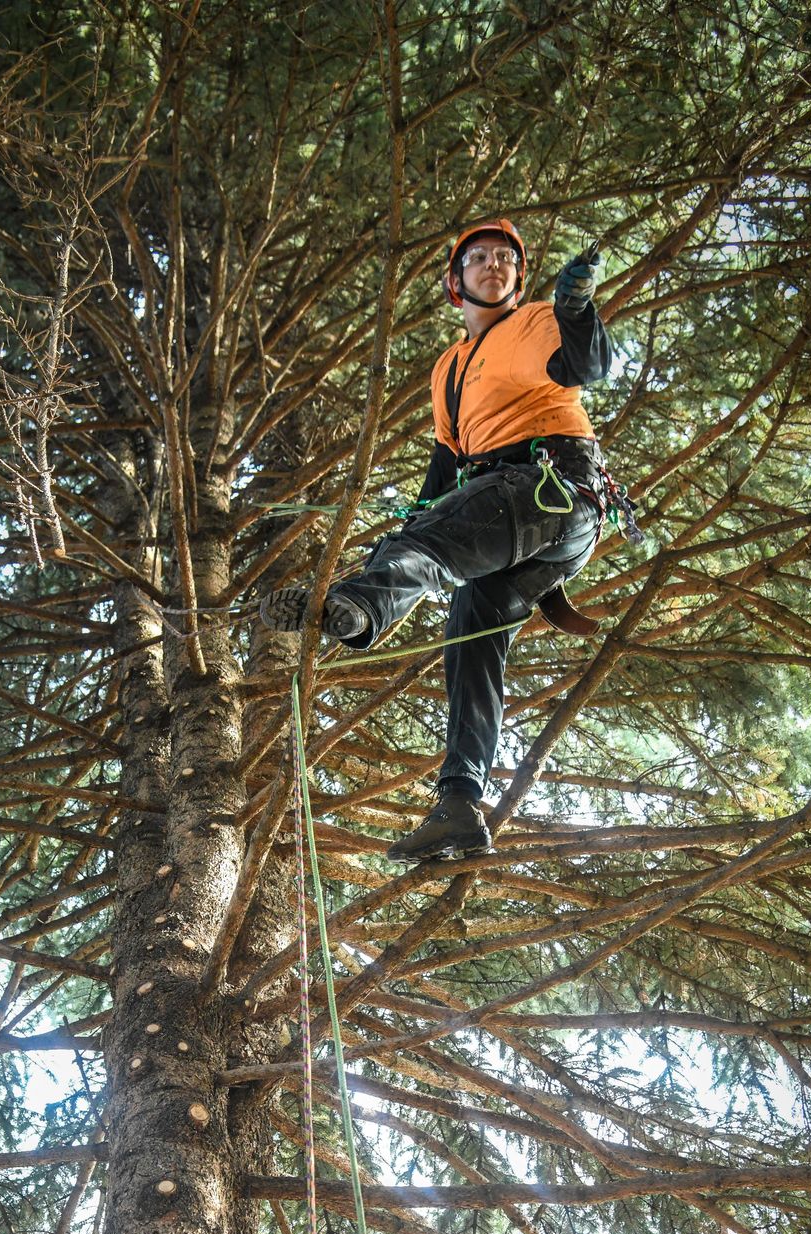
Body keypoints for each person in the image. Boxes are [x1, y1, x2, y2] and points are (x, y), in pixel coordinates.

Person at [260, 218, 616, 862]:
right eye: (479, 257)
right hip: (516, 511)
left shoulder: (535, 321)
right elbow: (445, 469)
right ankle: (459, 801)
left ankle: (361, 606)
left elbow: (587, 366)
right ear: (456, 282)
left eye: (505, 258)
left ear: (518, 277)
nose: (494, 265)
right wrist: (411, 521)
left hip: (547, 485)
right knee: (469, 635)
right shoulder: (448, 368)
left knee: (431, 547)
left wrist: (575, 307)